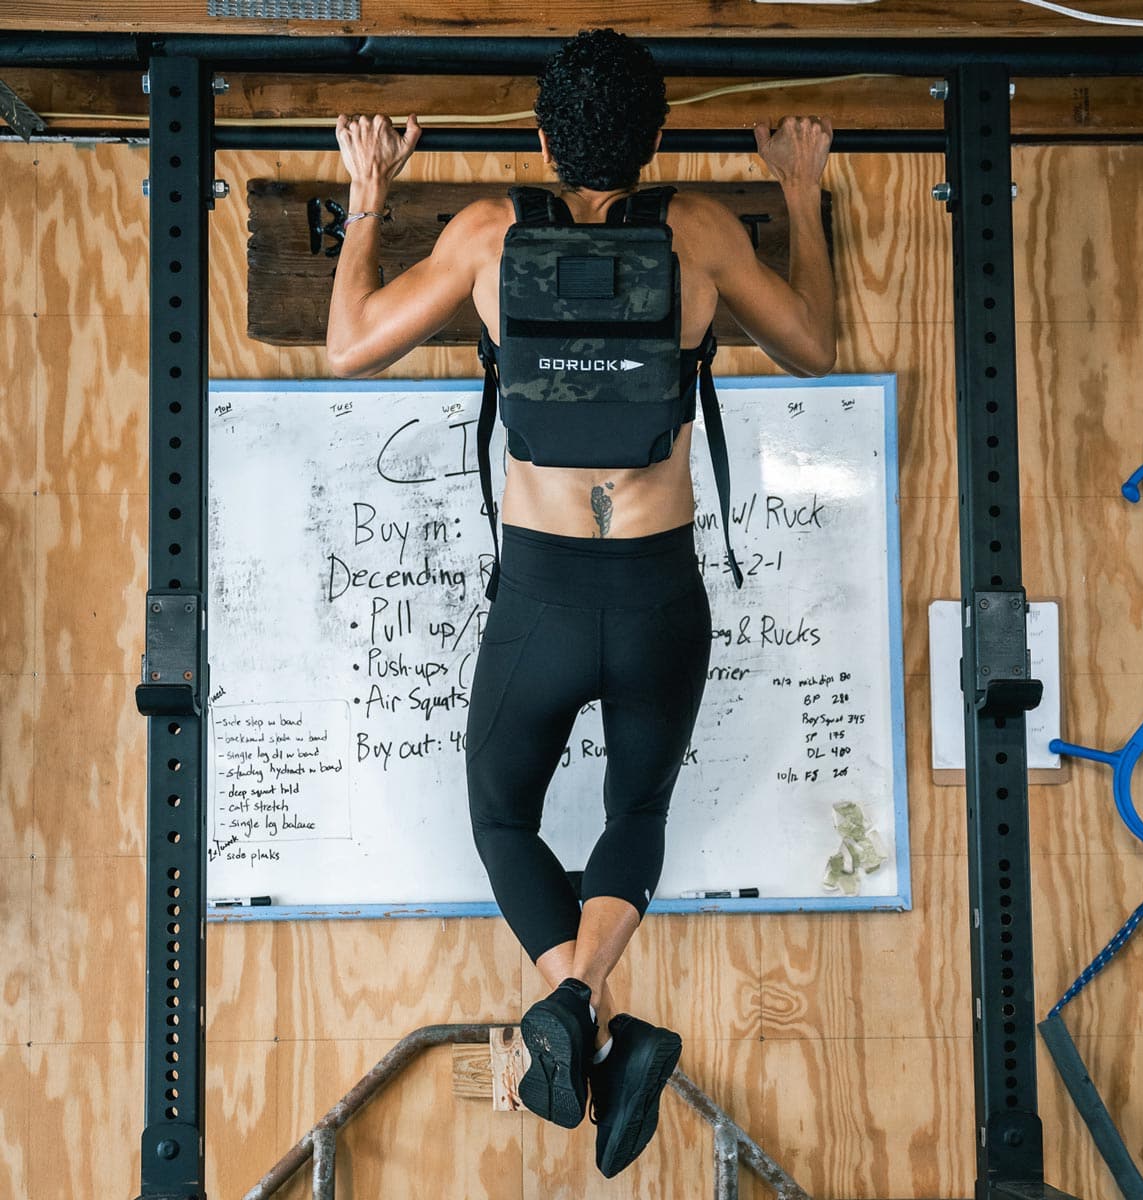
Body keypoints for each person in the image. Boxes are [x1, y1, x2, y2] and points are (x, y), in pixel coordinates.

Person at [328, 27, 835, 1178]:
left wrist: (369, 191)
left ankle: (581, 1007)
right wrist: (799, 195)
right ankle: (586, 1016)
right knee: (637, 810)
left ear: (544, 139)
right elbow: (813, 347)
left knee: (505, 819)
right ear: (656, 142)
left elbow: (349, 343)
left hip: (543, 593)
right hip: (661, 591)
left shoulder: (490, 236)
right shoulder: (699, 231)